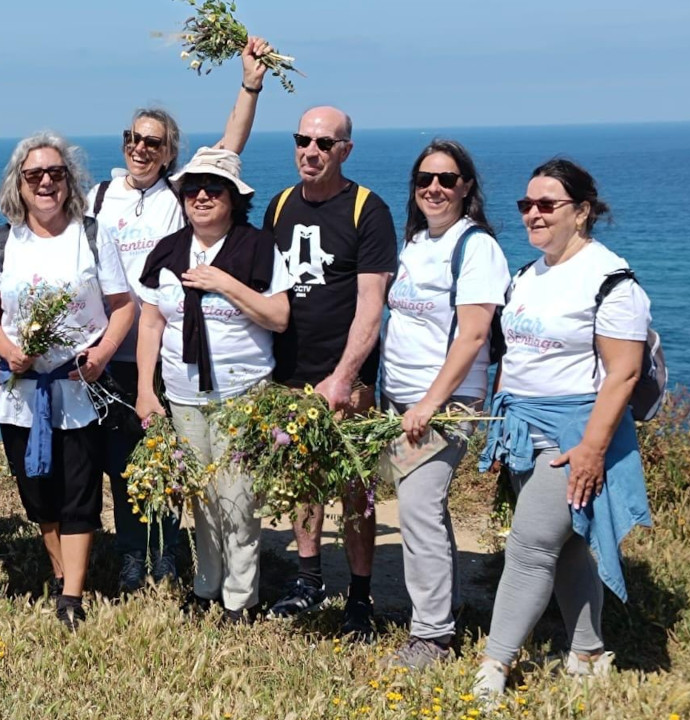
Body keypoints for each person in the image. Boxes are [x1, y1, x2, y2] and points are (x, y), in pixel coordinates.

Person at [89, 36, 272, 594]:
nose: (141, 149)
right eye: (133, 139)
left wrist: (249, 85)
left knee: (177, 464)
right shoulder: (97, 196)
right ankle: (130, 553)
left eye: (154, 142)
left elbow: (229, 146)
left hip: (169, 351)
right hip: (108, 354)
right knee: (124, 465)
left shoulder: (180, 193)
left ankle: (169, 555)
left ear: (170, 154)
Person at [474, 158, 652, 696]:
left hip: (576, 433)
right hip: (525, 428)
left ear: (583, 212)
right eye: (526, 204)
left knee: (529, 547)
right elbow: (516, 356)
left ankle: (493, 667)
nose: (533, 214)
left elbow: (623, 373)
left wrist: (592, 451)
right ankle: (589, 651)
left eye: (547, 204)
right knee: (570, 544)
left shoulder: (611, 280)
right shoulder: (530, 274)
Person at [0, 131, 134, 629]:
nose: (46, 183)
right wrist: (8, 353)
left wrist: (102, 354)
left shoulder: (91, 234)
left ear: (70, 181)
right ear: (18, 184)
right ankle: (62, 572)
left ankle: (72, 595)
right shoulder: (2, 241)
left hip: (79, 388)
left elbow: (123, 305)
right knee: (36, 491)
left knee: (80, 489)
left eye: (56, 174)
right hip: (23, 394)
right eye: (34, 175)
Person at [135, 147, 291, 624]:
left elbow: (279, 317)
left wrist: (224, 283)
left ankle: (241, 600)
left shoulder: (257, 247)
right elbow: (150, 324)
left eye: (214, 189)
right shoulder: (167, 250)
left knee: (238, 500)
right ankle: (207, 587)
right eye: (192, 189)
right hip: (183, 395)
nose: (201, 196)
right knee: (202, 498)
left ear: (233, 198)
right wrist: (146, 389)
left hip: (241, 394)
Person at [264, 106, 398, 642]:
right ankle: (309, 578)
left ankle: (361, 598)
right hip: (291, 374)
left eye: (324, 143)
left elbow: (372, 307)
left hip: (349, 380)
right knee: (304, 480)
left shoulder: (368, 210)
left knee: (353, 486)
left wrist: (344, 377)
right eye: (303, 140)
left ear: (345, 149)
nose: (310, 151)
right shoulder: (278, 206)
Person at [379, 140, 509, 668]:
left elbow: (475, 333)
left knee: (417, 508)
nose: (434, 187)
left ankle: (432, 636)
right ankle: (444, 608)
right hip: (401, 396)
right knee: (422, 506)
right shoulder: (415, 242)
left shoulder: (475, 247)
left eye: (447, 179)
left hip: (445, 402)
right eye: (425, 178)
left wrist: (431, 403)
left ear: (467, 187)